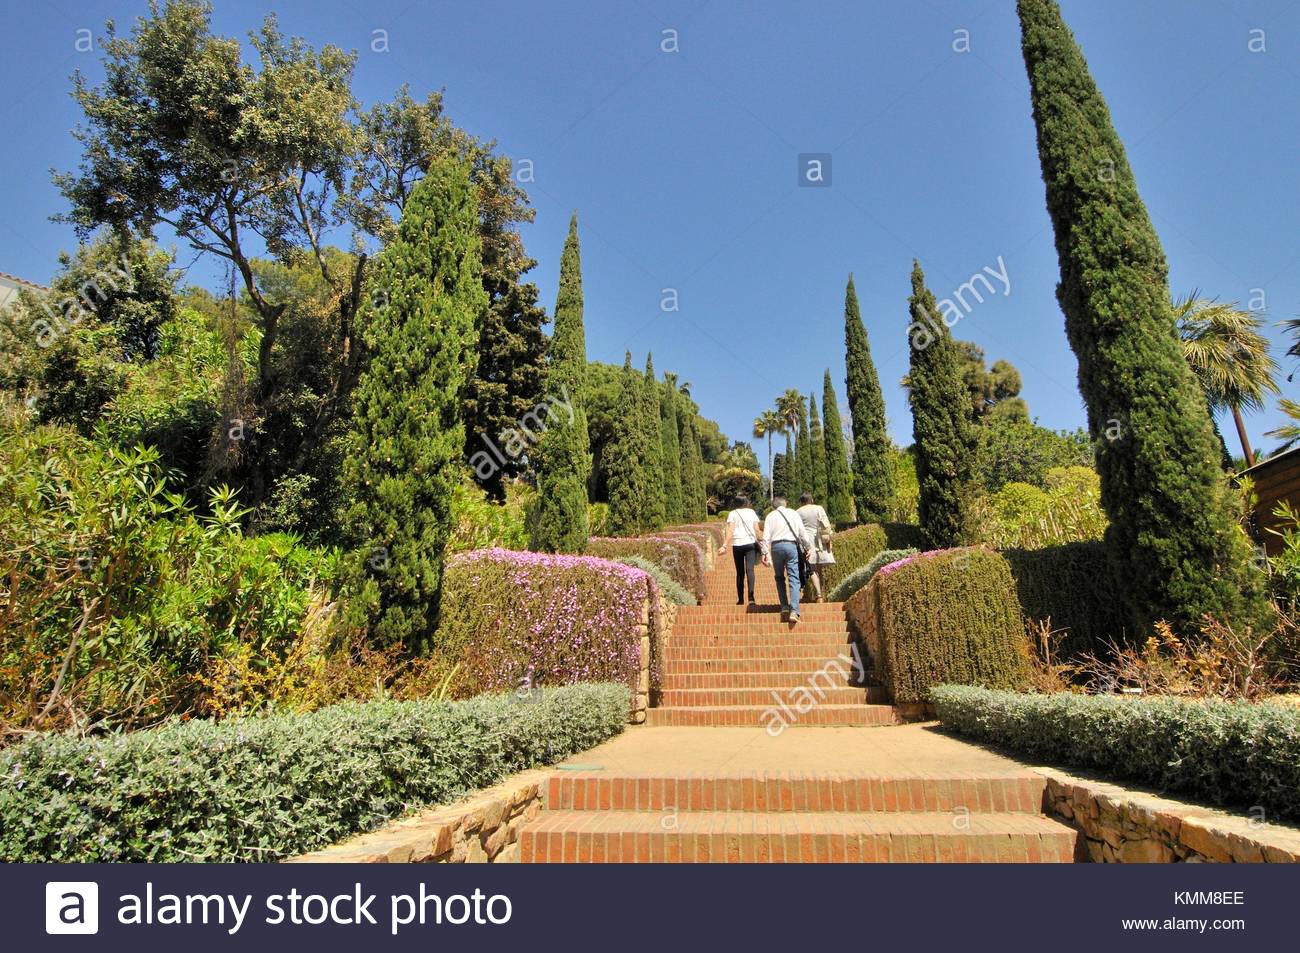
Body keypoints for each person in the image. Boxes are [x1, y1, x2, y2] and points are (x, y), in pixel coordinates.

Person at [760, 495, 810, 623]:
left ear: (774, 506)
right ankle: (794, 611)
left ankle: (784, 607)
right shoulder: (793, 513)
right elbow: (802, 533)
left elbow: (765, 537)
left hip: (776, 547)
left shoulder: (770, 516)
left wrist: (765, 553)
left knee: (779, 577)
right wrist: (808, 547)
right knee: (794, 577)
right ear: (785, 503)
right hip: (791, 546)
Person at [718, 495, 763, 605]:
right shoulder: (751, 512)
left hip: (737, 545)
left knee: (740, 572)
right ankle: (751, 598)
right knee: (750, 570)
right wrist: (761, 540)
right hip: (750, 544)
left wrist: (724, 545)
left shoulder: (733, 513)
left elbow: (731, 530)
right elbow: (757, 529)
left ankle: (741, 599)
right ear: (746, 502)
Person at [796, 492, 835, 602]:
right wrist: (829, 540)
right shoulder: (819, 508)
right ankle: (821, 593)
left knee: (811, 568)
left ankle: (818, 595)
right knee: (820, 568)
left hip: (806, 541)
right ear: (811, 500)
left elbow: (797, 529)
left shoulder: (798, 512)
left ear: (801, 502)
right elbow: (826, 525)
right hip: (820, 540)